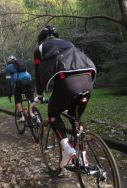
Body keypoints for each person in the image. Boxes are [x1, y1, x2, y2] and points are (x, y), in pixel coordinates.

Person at [33, 25, 96, 168]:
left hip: (66, 84)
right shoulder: (69, 44)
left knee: (53, 113)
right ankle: (83, 158)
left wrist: (40, 95)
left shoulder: (40, 49)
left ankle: (67, 150)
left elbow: (38, 74)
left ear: (41, 39)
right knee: (76, 117)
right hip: (87, 81)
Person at [5, 55, 35, 122]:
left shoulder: (8, 67)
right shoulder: (21, 64)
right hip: (29, 80)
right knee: (30, 97)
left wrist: (9, 93)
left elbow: (8, 81)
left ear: (8, 62)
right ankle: (34, 113)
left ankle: (22, 116)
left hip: (19, 83)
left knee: (17, 99)